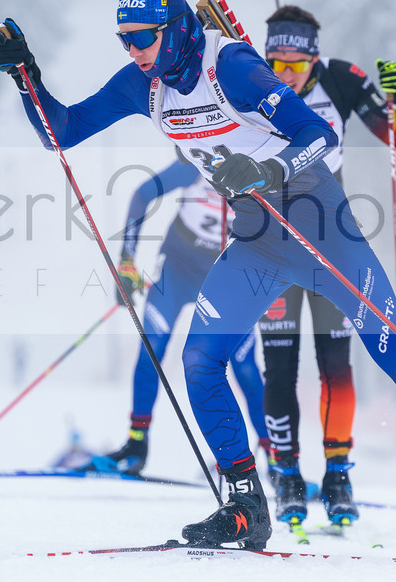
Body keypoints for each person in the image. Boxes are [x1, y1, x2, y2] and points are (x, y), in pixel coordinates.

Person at [0, 0, 396, 551]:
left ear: (176, 27)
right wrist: (25, 75)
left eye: (142, 37)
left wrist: (269, 169)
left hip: (322, 229)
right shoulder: (143, 83)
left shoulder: (231, 67)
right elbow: (63, 132)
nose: (133, 50)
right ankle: (246, 504)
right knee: (200, 360)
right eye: (124, 39)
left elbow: (320, 134)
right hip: (257, 242)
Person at [257, 4, 396, 525]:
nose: (285, 74)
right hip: (271, 241)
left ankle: (337, 474)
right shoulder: (250, 81)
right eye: (276, 63)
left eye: (295, 65)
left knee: (336, 364)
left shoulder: (341, 79)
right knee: (279, 367)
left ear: (314, 58)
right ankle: (286, 474)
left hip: (332, 242)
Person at [81, 159, 269, 476]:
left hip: (225, 276)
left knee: (245, 366)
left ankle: (276, 457)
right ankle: (136, 444)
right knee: (151, 350)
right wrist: (127, 261)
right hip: (177, 269)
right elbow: (142, 194)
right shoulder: (198, 162)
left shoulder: (258, 168)